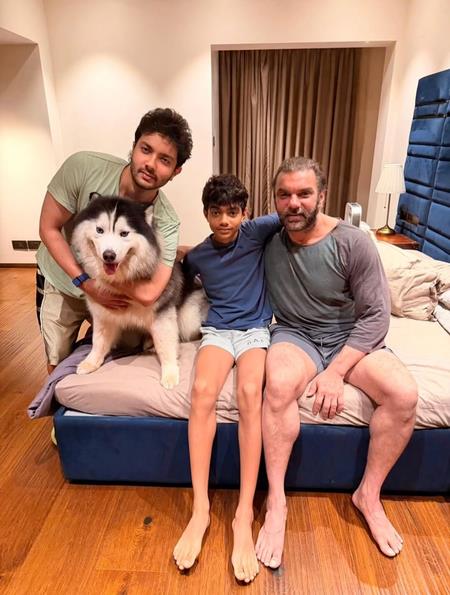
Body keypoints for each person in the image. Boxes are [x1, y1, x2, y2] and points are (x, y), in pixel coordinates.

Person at [255, 156, 418, 568]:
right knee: (278, 386)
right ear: (274, 199)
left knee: (403, 394)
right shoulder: (267, 237)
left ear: (322, 196)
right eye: (284, 195)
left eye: (304, 194)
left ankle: (369, 495)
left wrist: (335, 372)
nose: (294, 203)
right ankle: (276, 502)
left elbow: (376, 316)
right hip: (295, 334)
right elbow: (215, 246)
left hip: (350, 336)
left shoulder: (353, 241)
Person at [173, 174, 280, 583]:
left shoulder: (255, 233)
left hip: (255, 330)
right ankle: (200, 509)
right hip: (218, 330)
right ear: (205, 214)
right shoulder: (199, 255)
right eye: (216, 212)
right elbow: (180, 272)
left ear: (245, 213)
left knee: (251, 392)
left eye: (232, 212)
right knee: (202, 392)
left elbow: (294, 213)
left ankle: (242, 514)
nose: (224, 220)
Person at [36, 108, 193, 373]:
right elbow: (48, 228)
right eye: (146, 149)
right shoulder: (83, 167)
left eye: (164, 160)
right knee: (57, 359)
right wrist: (86, 283)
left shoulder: (166, 221)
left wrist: (104, 287)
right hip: (64, 278)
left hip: (119, 294)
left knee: (126, 346)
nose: (150, 164)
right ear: (134, 146)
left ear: (175, 171)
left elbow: (151, 293)